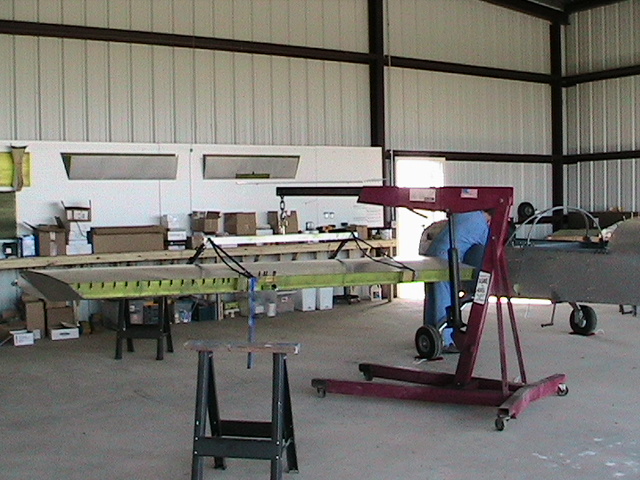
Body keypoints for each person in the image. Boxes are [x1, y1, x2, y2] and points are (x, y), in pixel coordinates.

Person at [423, 210, 491, 353]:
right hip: (445, 259)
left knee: (432, 297)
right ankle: (445, 341)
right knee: (446, 298)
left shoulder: (466, 213)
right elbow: (490, 249)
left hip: (430, 254)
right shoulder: (482, 226)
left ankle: (429, 335)